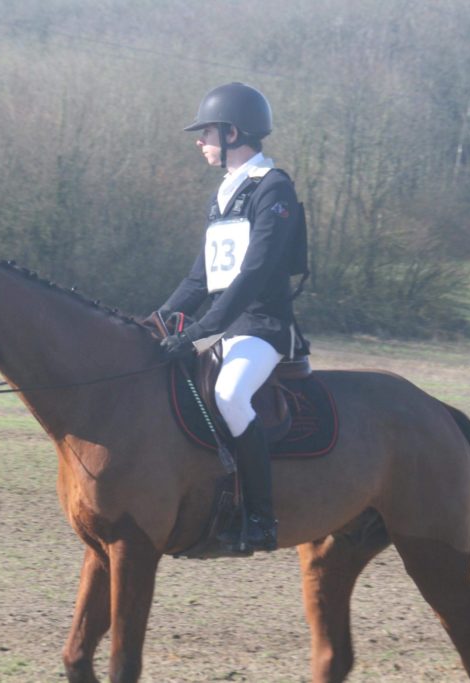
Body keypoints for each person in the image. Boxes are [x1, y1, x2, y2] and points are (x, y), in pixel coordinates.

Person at [156, 82, 307, 553]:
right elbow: (200, 280)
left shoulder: (273, 187)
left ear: (233, 133)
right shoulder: (224, 195)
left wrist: (202, 331)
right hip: (229, 327)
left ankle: (260, 517)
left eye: (206, 133)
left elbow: (255, 274)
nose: (199, 142)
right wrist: (154, 324)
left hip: (263, 327)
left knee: (229, 394)